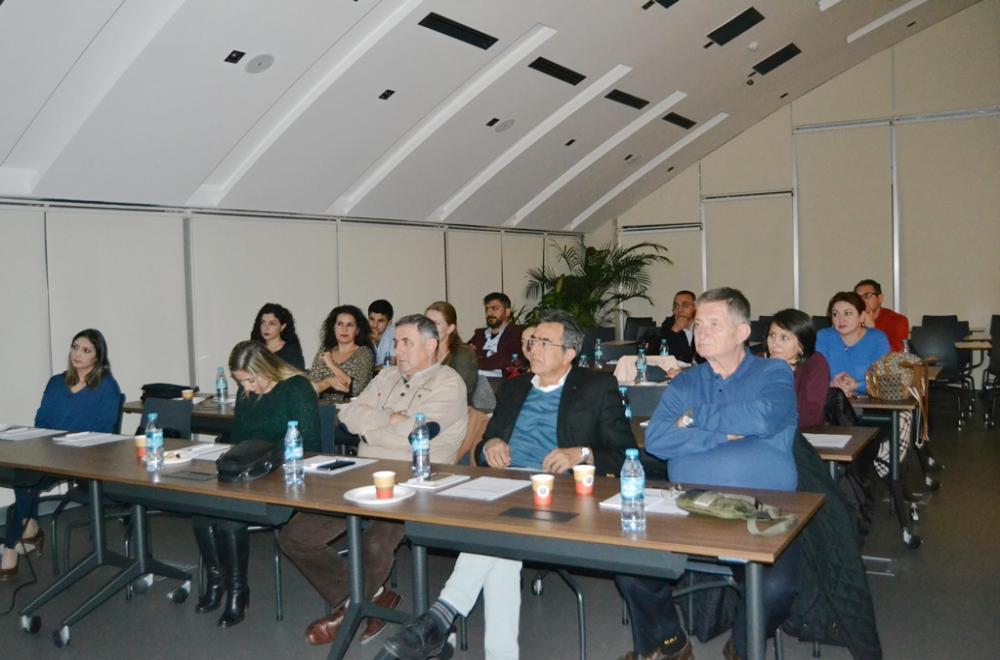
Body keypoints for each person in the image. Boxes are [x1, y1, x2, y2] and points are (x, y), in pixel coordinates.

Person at [380, 310, 635, 660]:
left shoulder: (596, 387)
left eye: (545, 343)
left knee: (497, 536)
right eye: (533, 341)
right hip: (505, 487)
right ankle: (486, 646)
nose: (533, 348)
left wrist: (582, 453)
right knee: (501, 546)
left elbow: (624, 454)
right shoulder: (514, 388)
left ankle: (441, 617)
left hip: (560, 493)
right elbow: (485, 445)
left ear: (569, 354)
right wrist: (490, 446)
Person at [616, 288, 800, 660]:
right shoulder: (686, 381)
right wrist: (723, 432)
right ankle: (672, 644)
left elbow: (763, 417)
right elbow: (658, 440)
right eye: (699, 324)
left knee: (778, 588)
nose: (702, 332)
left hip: (762, 507)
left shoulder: (773, 372)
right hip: (688, 504)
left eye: (714, 324)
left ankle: (744, 645)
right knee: (630, 562)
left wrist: (695, 417)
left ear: (742, 332)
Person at [279, 315, 468, 646]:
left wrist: (373, 428)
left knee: (375, 544)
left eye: (406, 343)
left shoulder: (449, 383)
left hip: (415, 481)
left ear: (431, 346)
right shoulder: (387, 376)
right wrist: (390, 419)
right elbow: (347, 414)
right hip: (362, 472)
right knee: (296, 536)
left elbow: (417, 432)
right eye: (395, 343)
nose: (397, 350)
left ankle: (350, 612)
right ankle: (372, 598)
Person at [192, 340, 319, 627]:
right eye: (241, 382)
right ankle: (217, 582)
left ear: (266, 369)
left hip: (284, 474)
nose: (247, 388)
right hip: (248, 472)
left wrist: (265, 457)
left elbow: (309, 444)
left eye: (250, 380)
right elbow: (239, 438)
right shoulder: (246, 391)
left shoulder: (296, 388)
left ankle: (238, 591)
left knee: (229, 515)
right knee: (202, 509)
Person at [1, 329, 122, 580]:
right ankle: (27, 528)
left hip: (85, 460)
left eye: (86, 350)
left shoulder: (107, 386)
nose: (78, 354)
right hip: (53, 456)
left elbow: (105, 429)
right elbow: (42, 421)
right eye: (75, 347)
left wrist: (71, 441)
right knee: (23, 477)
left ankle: (14, 543)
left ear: (97, 356)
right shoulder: (57, 382)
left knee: (26, 484)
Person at [816, 292, 891, 398]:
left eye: (847, 313)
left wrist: (857, 385)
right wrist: (832, 385)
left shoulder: (877, 338)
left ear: (862, 316)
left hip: (870, 403)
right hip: (831, 401)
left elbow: (885, 379)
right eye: (835, 314)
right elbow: (814, 376)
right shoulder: (823, 337)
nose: (841, 319)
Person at [766, 309, 831, 429]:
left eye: (784, 338)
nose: (775, 343)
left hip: (805, 432)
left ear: (801, 345)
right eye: (772, 335)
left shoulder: (815, 363)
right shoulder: (761, 364)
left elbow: (811, 415)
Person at [308, 305, 375, 403]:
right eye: (340, 324)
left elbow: (357, 389)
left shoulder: (364, 353)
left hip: (350, 407)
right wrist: (329, 382)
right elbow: (311, 388)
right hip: (321, 406)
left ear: (357, 330)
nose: (344, 329)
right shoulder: (324, 350)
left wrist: (331, 365)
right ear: (333, 328)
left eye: (350, 325)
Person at [425, 301, 478, 405]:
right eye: (426, 323)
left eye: (436, 323)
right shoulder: (423, 353)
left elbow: (458, 393)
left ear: (450, 329)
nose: (429, 328)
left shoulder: (463, 355)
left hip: (450, 408)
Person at [468, 292, 522, 372]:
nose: (489, 313)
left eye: (494, 308)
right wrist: (490, 353)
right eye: (487, 309)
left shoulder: (516, 333)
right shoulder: (480, 334)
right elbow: (464, 353)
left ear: (507, 312)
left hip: (501, 378)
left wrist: (477, 354)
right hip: (474, 376)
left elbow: (504, 360)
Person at [854, 279, 910, 352]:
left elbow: (894, 355)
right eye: (858, 297)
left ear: (880, 298)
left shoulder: (898, 320)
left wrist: (872, 329)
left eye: (867, 295)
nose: (862, 300)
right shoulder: (852, 320)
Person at [250, 302, 305, 369]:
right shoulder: (254, 349)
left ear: (282, 326)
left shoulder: (291, 351)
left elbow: (298, 374)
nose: (266, 328)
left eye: (272, 324)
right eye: (263, 323)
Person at [657, 290, 700, 364]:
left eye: (685, 305)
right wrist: (674, 331)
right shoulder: (668, 324)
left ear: (695, 307)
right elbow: (664, 354)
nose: (679, 310)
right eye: (676, 306)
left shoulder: (702, 324)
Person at [369, 299, 396, 366]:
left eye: (380, 321)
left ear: (389, 322)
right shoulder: (362, 333)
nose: (375, 325)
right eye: (372, 319)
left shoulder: (396, 334)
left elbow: (391, 364)